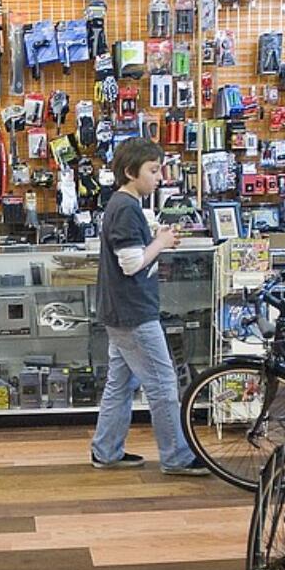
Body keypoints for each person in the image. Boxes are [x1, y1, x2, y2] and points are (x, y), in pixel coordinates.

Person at [90, 137, 210, 475]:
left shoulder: (121, 204)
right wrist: (160, 241)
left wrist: (157, 239)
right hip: (133, 313)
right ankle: (177, 457)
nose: (159, 177)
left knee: (121, 383)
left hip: (121, 312)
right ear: (131, 172)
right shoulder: (126, 208)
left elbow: (131, 256)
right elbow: (131, 264)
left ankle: (106, 450)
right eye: (153, 170)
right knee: (162, 384)